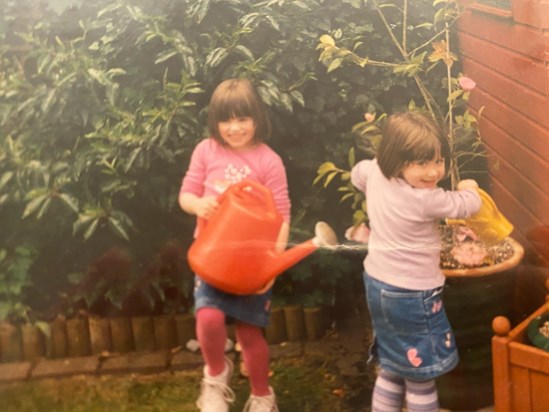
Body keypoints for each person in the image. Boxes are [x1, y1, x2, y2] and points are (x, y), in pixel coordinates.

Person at [350, 111, 482, 412]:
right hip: (413, 296)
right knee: (421, 379)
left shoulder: (375, 173)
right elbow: (466, 205)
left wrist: (372, 177)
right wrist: (470, 189)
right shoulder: (426, 199)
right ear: (396, 159)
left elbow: (358, 172)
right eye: (421, 163)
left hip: (378, 286)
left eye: (438, 161)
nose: (433, 172)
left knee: (393, 366)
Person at [179, 78, 289, 412]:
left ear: (257, 118)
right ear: (215, 121)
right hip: (212, 258)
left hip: (251, 264)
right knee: (209, 319)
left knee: (249, 333)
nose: (235, 127)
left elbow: (282, 215)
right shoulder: (206, 151)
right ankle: (215, 375)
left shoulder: (268, 161)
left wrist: (273, 263)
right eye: (226, 120)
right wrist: (198, 206)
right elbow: (186, 194)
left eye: (243, 119)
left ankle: (261, 395)